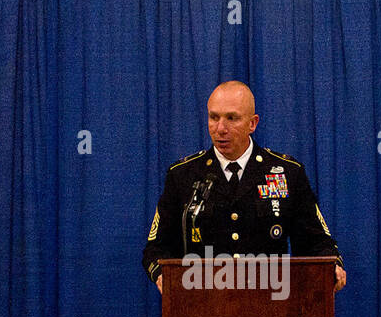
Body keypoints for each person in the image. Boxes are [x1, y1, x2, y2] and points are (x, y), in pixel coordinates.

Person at [142, 80, 346, 292]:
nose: (220, 128)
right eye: (214, 117)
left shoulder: (286, 173)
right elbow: (156, 247)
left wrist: (332, 266)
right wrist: (161, 274)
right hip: (202, 305)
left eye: (232, 118)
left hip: (270, 304)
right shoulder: (182, 175)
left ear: (253, 123)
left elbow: (316, 242)